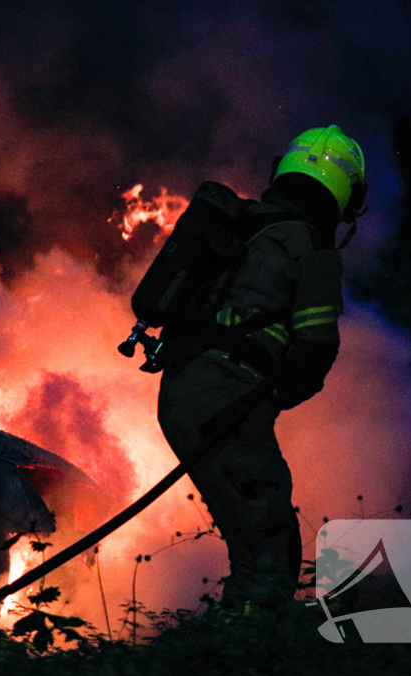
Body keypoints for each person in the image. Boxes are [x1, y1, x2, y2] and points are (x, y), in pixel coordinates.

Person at [156, 124, 367, 609]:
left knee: (252, 538)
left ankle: (230, 647)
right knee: (269, 546)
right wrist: (275, 397)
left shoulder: (247, 222)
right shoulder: (313, 250)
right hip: (226, 401)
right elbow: (316, 349)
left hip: (183, 387)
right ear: (346, 195)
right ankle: (242, 658)